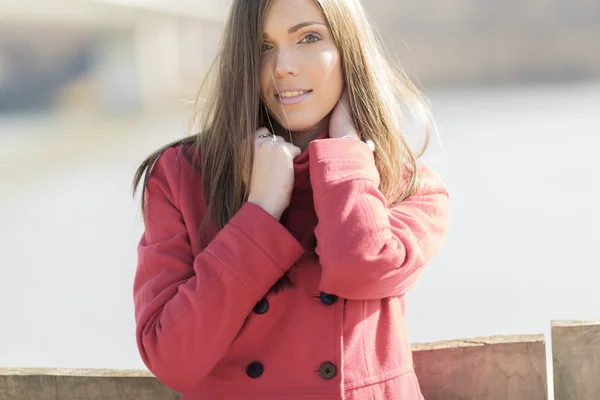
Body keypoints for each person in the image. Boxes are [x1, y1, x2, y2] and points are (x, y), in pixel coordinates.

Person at [131, 0, 450, 398]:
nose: (283, 65)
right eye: (264, 46)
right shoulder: (181, 177)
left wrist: (346, 155)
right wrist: (261, 209)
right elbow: (172, 356)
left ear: (349, 50)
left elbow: (360, 264)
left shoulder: (407, 187)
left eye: (309, 37)